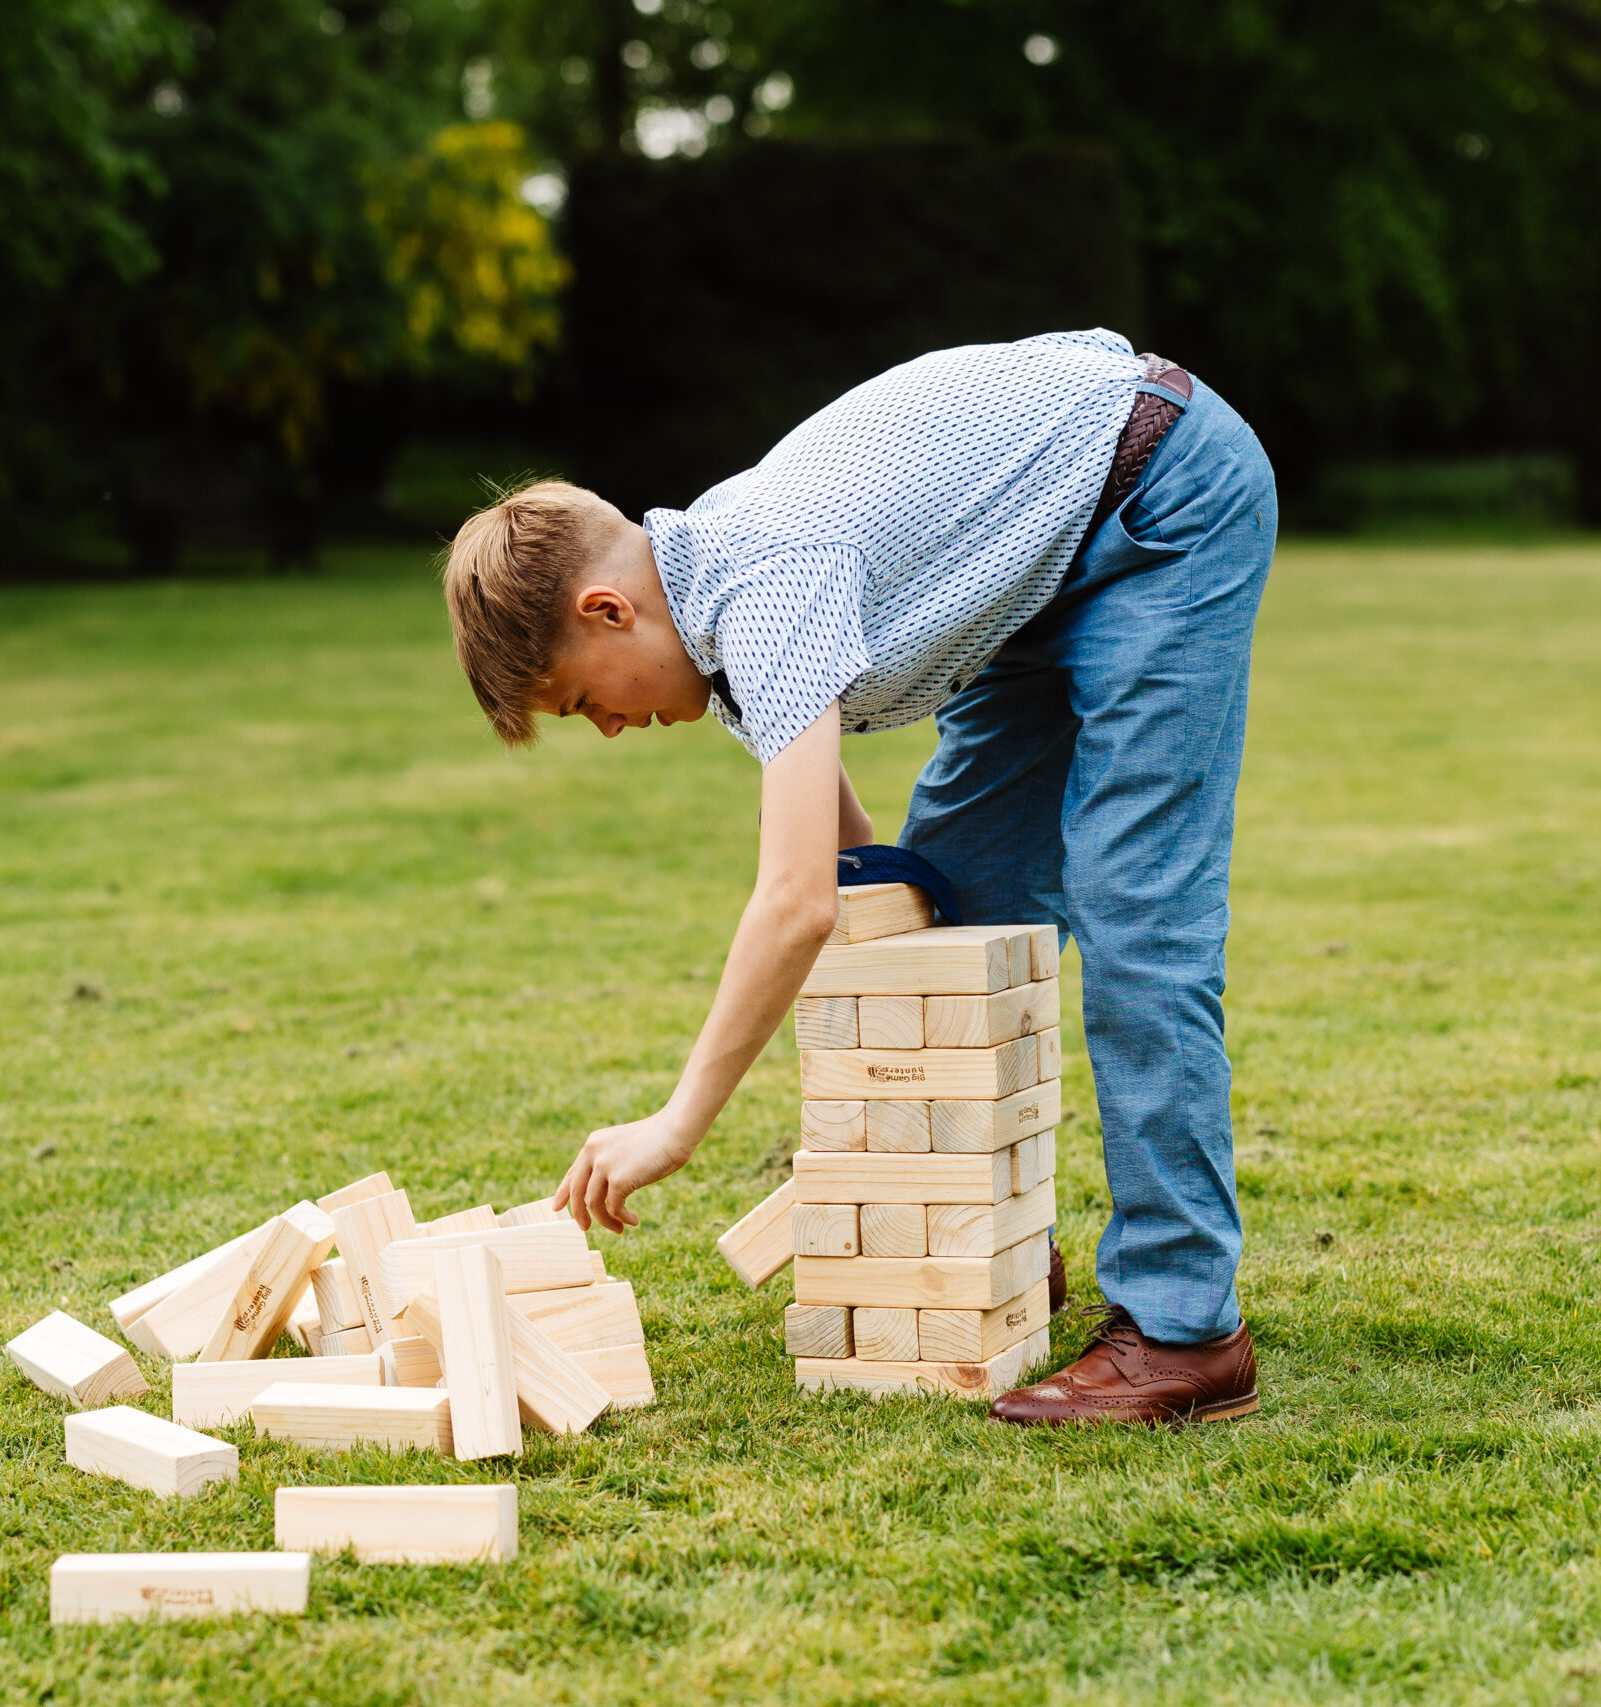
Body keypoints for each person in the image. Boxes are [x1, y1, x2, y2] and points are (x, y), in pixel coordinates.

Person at [442, 330, 1273, 1426]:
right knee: (955, 919)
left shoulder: (762, 580)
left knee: (1134, 909)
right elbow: (869, 881)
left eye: (581, 701)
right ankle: (992, 1242)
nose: (605, 728)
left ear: (607, 613)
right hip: (1036, 569)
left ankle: (1184, 1332)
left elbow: (797, 901)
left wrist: (678, 1121)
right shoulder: (721, 635)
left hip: (1158, 494)